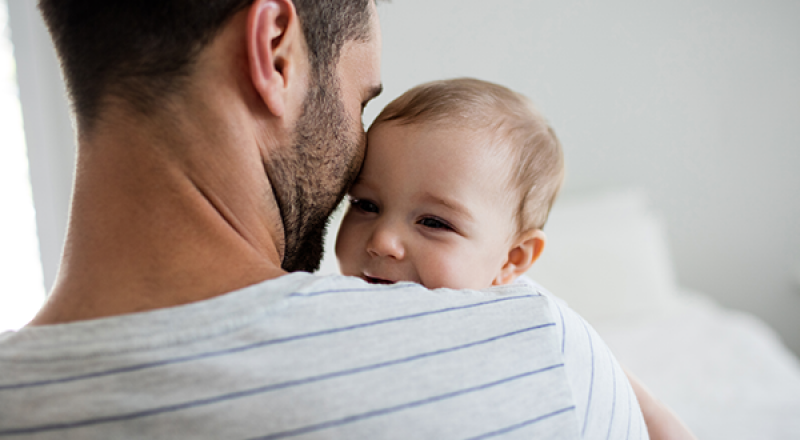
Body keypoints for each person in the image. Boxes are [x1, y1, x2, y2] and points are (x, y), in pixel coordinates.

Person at [0, 1, 648, 439]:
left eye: (436, 222)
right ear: (275, 51)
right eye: (360, 101)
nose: (384, 239)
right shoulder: (540, 351)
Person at [336, 78, 696, 440]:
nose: (382, 241)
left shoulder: (529, 321)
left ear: (512, 258)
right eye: (366, 204)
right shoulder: (326, 306)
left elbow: (634, 401)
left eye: (433, 222)